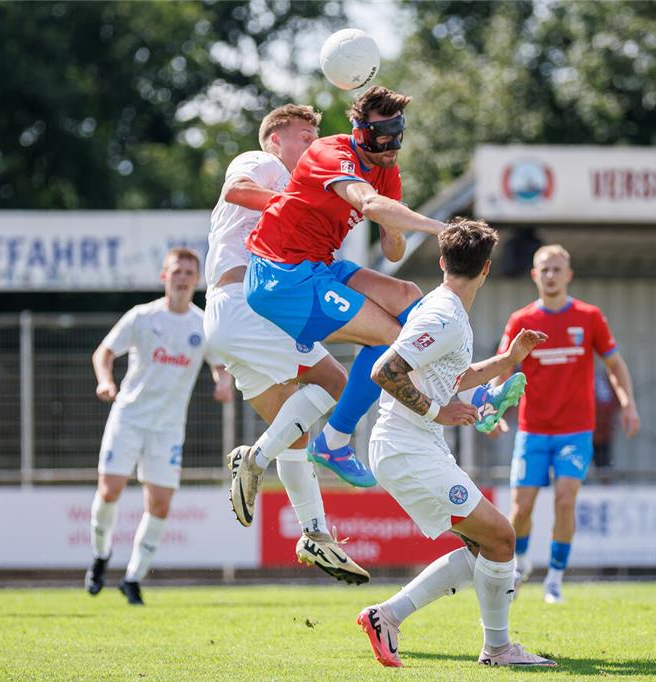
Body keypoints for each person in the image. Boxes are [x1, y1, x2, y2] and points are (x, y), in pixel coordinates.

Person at [231, 86, 497, 519]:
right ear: (359, 132)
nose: (391, 145)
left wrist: (395, 230)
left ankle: (467, 388)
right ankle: (334, 441)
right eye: (382, 135)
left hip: (320, 265)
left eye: (397, 134)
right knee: (392, 340)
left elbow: (393, 249)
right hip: (281, 276)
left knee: (409, 297)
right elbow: (368, 203)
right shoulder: (329, 152)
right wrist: (442, 229)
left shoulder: (387, 169)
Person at [357, 219, 556, 668]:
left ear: (443, 262)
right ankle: (498, 649)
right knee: (502, 538)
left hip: (415, 447)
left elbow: (452, 376)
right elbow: (384, 371)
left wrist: (508, 359)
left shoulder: (445, 310)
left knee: (484, 546)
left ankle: (387, 616)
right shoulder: (443, 316)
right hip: (406, 448)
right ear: (486, 269)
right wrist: (437, 411)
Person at [203, 103, 367, 583]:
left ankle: (316, 534)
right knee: (339, 384)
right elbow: (236, 189)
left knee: (293, 432)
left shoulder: (294, 189)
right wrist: (300, 202)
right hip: (244, 305)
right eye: (303, 136)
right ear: (275, 138)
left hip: (231, 316)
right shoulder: (262, 162)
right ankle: (253, 459)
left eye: (316, 137)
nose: (311, 145)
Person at [488, 244, 640, 604]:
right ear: (534, 275)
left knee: (565, 500)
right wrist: (491, 410)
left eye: (557, 269)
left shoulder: (589, 317)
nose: (551, 275)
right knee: (521, 508)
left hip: (576, 430)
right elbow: (502, 369)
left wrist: (628, 403)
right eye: (545, 269)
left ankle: (555, 579)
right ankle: (520, 564)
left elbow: (615, 365)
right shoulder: (521, 320)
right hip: (533, 430)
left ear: (569, 275)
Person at [84, 247, 233, 605]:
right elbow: (104, 352)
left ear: (197, 280)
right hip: (129, 417)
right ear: (164, 276)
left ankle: (132, 578)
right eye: (176, 271)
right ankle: (101, 557)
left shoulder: (203, 324)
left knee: (161, 505)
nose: (183, 278)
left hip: (168, 428)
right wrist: (105, 381)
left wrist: (223, 383)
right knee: (110, 491)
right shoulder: (142, 316)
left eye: (189, 273)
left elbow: (220, 364)